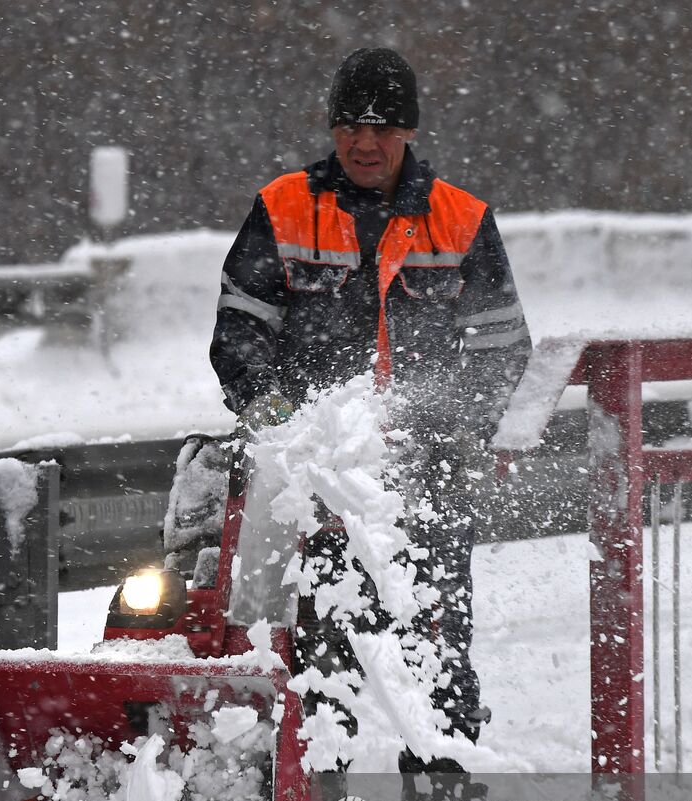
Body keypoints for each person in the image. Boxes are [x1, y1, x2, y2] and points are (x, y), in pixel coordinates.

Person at [209, 47, 532, 762]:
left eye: (383, 127)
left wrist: (449, 438)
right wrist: (277, 422)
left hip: (426, 475)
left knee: (437, 646)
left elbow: (502, 350)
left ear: (410, 133)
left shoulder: (461, 221)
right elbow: (240, 332)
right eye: (350, 124)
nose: (364, 141)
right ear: (331, 128)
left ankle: (444, 790)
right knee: (326, 651)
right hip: (319, 479)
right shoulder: (283, 207)